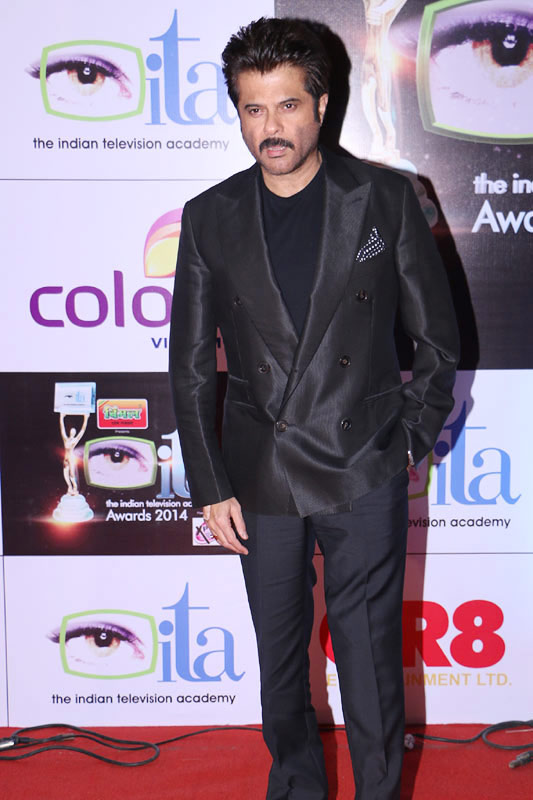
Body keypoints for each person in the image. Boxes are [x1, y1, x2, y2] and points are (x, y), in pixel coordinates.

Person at [169, 17, 459, 800]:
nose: (271, 127)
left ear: (321, 106)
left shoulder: (384, 198)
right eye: (253, 109)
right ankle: (295, 788)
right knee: (279, 661)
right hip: (258, 473)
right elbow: (190, 365)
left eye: (288, 106)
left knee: (369, 659)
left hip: (360, 461)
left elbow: (437, 340)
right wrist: (209, 484)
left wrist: (408, 442)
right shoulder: (208, 215)